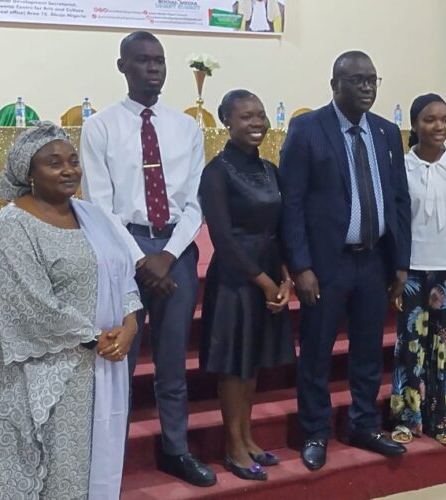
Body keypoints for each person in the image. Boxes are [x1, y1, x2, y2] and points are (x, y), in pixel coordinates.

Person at [0, 122, 142, 499]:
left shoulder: (93, 216)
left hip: (100, 368)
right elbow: (30, 306)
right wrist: (94, 337)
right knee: (51, 477)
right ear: (27, 172)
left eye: (73, 161)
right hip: (42, 378)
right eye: (54, 163)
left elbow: (121, 270)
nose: (69, 170)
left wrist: (129, 324)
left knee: (91, 472)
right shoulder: (9, 229)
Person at [80, 31, 216, 487]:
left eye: (159, 60)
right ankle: (108, 462)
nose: (153, 67)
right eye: (141, 60)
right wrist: (141, 260)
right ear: (123, 67)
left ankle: (176, 449)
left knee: (173, 363)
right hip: (122, 254)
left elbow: (197, 201)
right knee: (118, 363)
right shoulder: (100, 127)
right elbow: (99, 202)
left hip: (175, 252)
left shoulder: (186, 127)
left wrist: (170, 254)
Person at [279, 50, 411, 471]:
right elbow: (292, 202)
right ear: (335, 85)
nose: (367, 87)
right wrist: (300, 266)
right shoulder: (307, 129)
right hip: (326, 264)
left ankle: (363, 424)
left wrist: (400, 263)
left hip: (374, 261)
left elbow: (399, 201)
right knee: (317, 351)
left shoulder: (388, 133)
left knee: (369, 350)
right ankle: (315, 431)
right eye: (357, 80)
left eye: (372, 79)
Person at [199, 90, 295, 481]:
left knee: (252, 362)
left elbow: (282, 228)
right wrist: (264, 283)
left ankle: (248, 436)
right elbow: (222, 238)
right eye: (245, 117)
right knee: (233, 366)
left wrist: (285, 278)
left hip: (270, 272)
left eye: (260, 116)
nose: (256, 123)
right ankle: (233, 446)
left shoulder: (271, 169)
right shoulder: (216, 171)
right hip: (237, 279)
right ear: (226, 121)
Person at [389, 94, 446, 447]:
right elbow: (395, 222)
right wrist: (394, 270)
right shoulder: (400, 166)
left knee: (444, 347)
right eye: (429, 119)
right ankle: (406, 417)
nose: (438, 126)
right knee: (410, 346)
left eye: (444, 118)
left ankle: (440, 417)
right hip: (410, 270)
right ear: (415, 125)